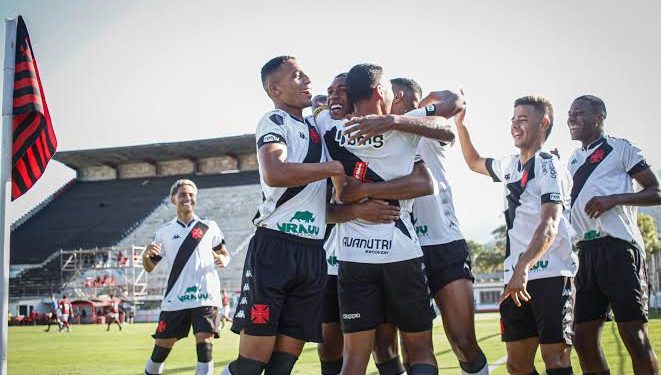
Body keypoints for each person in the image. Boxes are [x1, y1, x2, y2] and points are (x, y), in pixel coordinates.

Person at [319, 63, 461, 375]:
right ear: (378, 91)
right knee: (420, 350)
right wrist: (396, 120)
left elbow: (339, 197)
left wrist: (358, 195)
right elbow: (448, 127)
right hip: (402, 253)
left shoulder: (326, 127)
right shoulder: (403, 125)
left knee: (354, 361)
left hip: (353, 257)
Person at [222, 56, 344, 375]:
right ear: (274, 88)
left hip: (312, 255)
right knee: (250, 365)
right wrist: (331, 168)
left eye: (305, 74)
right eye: (297, 76)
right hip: (275, 249)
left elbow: (323, 205)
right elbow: (275, 172)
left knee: (283, 365)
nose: (307, 80)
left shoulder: (317, 130)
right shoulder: (274, 121)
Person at [455, 96, 578, 375]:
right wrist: (460, 125)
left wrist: (524, 265)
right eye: (513, 119)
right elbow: (474, 162)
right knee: (517, 365)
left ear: (543, 123)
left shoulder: (549, 165)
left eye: (522, 119)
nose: (514, 125)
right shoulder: (510, 165)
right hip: (516, 279)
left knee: (555, 359)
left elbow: (550, 224)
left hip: (551, 275)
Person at [381, 77, 488, 375]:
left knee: (464, 343)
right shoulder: (382, 133)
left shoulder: (429, 126)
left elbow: (454, 97)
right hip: (402, 249)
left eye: (388, 92)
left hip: (443, 244)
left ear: (398, 95)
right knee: (413, 350)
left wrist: (421, 104)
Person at [566, 95, 661, 375]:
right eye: (570, 113)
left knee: (634, 336)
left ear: (599, 117)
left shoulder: (621, 149)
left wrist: (614, 199)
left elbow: (658, 193)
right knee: (583, 340)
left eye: (579, 113)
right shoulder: (573, 160)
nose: (572, 118)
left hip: (619, 249)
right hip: (586, 253)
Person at [142, 179, 231, 375]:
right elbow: (149, 267)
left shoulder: (209, 227)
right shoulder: (164, 232)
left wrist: (224, 260)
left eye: (191, 194)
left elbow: (224, 253)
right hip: (176, 298)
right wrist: (145, 256)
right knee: (161, 347)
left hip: (205, 295)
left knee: (205, 343)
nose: (187, 198)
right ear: (173, 199)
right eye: (182, 194)